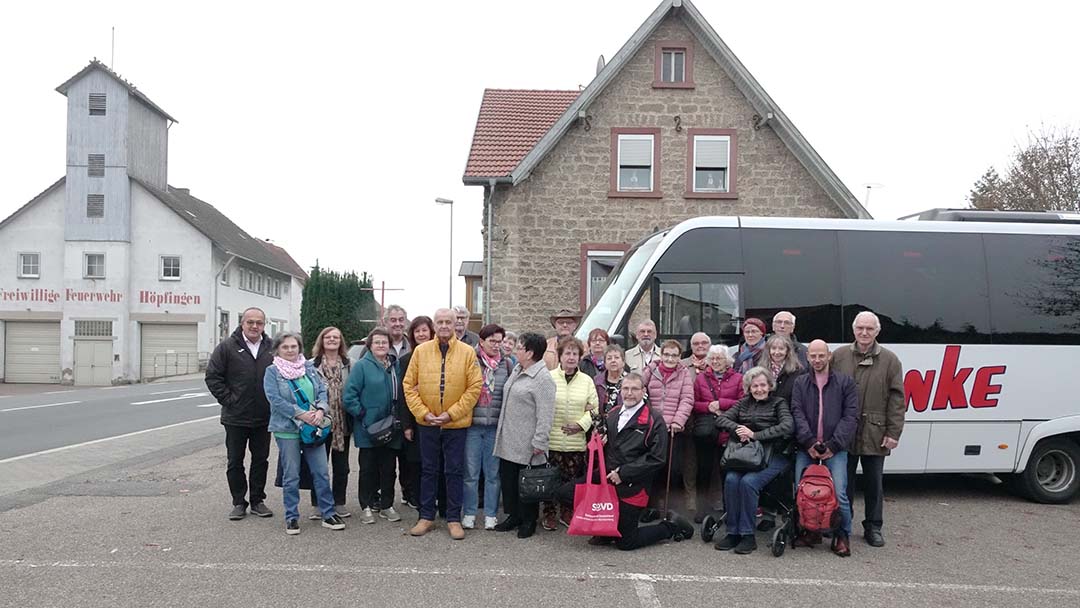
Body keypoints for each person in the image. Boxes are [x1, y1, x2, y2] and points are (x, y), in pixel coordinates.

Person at [559, 372, 694, 550]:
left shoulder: (655, 419)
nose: (629, 393)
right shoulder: (612, 414)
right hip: (607, 477)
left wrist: (624, 473)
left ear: (643, 391)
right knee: (564, 493)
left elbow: (657, 458)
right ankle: (605, 530)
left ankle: (671, 527)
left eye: (634, 389)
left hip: (633, 485)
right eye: (626, 389)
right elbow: (603, 445)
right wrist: (598, 442)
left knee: (626, 543)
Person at [403, 308, 483, 540]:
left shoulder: (468, 353)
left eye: (449, 321)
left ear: (455, 324)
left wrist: (451, 414)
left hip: (455, 424)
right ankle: (426, 516)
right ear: (434, 325)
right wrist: (424, 413)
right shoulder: (421, 351)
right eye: (440, 322)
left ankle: (453, 518)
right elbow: (409, 385)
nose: (445, 325)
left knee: (454, 471)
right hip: (427, 423)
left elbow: (474, 387)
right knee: (428, 470)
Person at [832, 311, 904, 548]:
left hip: (875, 431)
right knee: (844, 483)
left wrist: (894, 432)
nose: (864, 333)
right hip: (845, 431)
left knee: (874, 483)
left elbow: (896, 399)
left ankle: (873, 527)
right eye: (860, 328)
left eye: (869, 329)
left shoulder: (890, 360)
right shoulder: (839, 356)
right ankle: (843, 525)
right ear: (853, 330)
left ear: (877, 332)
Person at [262, 331, 346, 535]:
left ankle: (328, 512)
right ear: (278, 350)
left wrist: (320, 410)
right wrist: (301, 415)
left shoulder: (308, 367)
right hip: (287, 430)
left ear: (299, 347)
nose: (290, 350)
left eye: (294, 346)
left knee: (321, 472)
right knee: (291, 475)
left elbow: (321, 391)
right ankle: (291, 516)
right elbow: (275, 400)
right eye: (285, 347)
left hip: (313, 428)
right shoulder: (272, 372)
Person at [712, 367, 793, 554]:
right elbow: (721, 420)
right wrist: (739, 428)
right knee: (732, 480)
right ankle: (733, 532)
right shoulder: (742, 404)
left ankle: (747, 535)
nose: (759, 389)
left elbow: (788, 426)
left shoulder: (779, 403)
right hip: (746, 455)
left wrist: (756, 435)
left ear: (769, 386)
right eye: (755, 386)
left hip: (773, 455)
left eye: (763, 385)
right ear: (749, 387)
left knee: (749, 483)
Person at [790, 340, 859, 557]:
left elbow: (851, 416)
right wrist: (809, 442)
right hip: (806, 447)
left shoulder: (845, 383)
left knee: (839, 493)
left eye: (821, 355)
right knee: (802, 491)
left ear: (829, 355)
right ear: (807, 357)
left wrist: (833, 445)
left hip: (835, 448)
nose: (817, 360)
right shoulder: (800, 383)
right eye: (813, 356)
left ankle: (842, 535)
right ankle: (811, 532)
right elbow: (796, 413)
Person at [205, 307, 275, 521]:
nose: (255, 326)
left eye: (259, 323)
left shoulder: (271, 348)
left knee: (261, 459)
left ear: (264, 325)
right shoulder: (226, 347)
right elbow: (213, 377)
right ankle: (238, 502)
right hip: (236, 417)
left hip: (264, 416)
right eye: (250, 322)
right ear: (242, 323)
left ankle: (257, 500)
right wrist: (229, 400)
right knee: (235, 460)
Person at [493, 332, 557, 538]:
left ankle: (529, 520)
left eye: (520, 347)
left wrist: (540, 440)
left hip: (528, 443)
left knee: (527, 483)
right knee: (510, 481)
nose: (515, 350)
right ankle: (514, 516)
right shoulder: (518, 369)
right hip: (509, 438)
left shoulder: (543, 378)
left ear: (530, 353)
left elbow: (546, 413)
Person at [344, 328, 404, 525]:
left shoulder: (395, 366)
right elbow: (349, 396)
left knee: (389, 469)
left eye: (384, 342)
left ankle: (387, 505)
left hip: (391, 427)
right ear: (370, 345)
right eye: (377, 342)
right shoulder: (361, 366)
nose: (381, 345)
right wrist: (363, 414)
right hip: (368, 427)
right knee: (367, 469)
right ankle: (366, 506)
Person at [543, 336, 599, 531]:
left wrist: (580, 424)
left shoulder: (587, 381)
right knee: (550, 479)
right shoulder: (549, 377)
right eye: (567, 353)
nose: (571, 357)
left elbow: (593, 409)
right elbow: (542, 406)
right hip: (552, 440)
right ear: (560, 356)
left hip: (575, 441)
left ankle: (567, 511)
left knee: (571, 480)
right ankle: (549, 514)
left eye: (575, 354)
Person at [464, 323, 512, 531]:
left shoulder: (507, 364)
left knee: (493, 474)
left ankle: (491, 514)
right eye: (492, 341)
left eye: (499, 342)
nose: (496, 345)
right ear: (481, 342)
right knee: (471, 473)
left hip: (495, 426)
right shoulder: (470, 360)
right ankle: (469, 512)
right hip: (472, 425)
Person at [691, 346, 743, 521]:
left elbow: (743, 403)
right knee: (703, 470)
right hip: (707, 430)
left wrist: (721, 403)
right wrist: (708, 406)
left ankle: (729, 510)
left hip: (728, 430)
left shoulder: (739, 378)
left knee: (726, 471)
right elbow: (694, 404)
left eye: (719, 359)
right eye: (712, 359)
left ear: (727, 360)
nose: (715, 362)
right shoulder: (700, 379)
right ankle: (701, 510)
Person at [643, 339, 694, 517]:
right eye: (666, 354)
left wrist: (678, 421)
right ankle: (651, 506)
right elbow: (641, 392)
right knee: (652, 467)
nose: (670, 358)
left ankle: (670, 508)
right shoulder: (650, 370)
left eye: (674, 355)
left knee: (672, 469)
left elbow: (687, 399)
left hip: (673, 428)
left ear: (679, 357)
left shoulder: (684, 373)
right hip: (652, 427)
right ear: (661, 354)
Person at [310, 326, 352, 518]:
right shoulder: (311, 365)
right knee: (319, 466)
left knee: (341, 466)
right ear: (322, 340)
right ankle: (319, 504)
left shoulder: (350, 364)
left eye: (336, 337)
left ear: (341, 341)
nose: (332, 340)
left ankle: (339, 501)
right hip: (320, 422)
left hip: (342, 422)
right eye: (328, 337)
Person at [397, 316, 435, 510]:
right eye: (417, 331)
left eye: (424, 330)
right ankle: (418, 498)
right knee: (417, 461)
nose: (421, 334)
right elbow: (404, 394)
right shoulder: (406, 360)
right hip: (415, 417)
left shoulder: (440, 356)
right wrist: (407, 425)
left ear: (431, 332)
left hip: (438, 416)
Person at [756, 334, 804, 404]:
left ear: (787, 351)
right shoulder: (759, 370)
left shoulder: (798, 372)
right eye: (773, 348)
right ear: (768, 350)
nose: (777, 352)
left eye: (781, 349)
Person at [594, 345, 629, 416]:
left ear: (623, 362)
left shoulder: (631, 381)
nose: (613, 360)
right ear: (605, 363)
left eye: (616, 357)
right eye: (609, 358)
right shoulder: (597, 382)